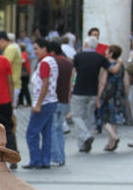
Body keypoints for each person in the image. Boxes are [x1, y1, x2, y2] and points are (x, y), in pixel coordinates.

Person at [23, 37, 58, 170]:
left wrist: (38, 103)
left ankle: (36, 160)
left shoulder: (44, 62)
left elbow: (45, 83)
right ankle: (45, 160)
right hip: (51, 100)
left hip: (44, 102)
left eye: (37, 49)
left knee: (31, 133)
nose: (35, 52)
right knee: (46, 132)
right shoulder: (51, 61)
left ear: (44, 48)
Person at [71, 37, 109, 153]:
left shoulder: (78, 57)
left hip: (79, 90)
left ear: (86, 44)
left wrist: (70, 87)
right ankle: (83, 145)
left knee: (77, 116)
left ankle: (86, 136)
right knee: (88, 118)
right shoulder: (100, 57)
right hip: (93, 91)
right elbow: (108, 71)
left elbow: (73, 74)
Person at [47, 38, 72, 166]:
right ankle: (61, 156)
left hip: (54, 99)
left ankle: (56, 157)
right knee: (59, 128)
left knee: (52, 128)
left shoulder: (52, 62)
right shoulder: (68, 63)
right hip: (64, 99)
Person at [99, 45, 125, 151]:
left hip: (108, 92)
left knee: (103, 116)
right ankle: (111, 142)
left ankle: (114, 137)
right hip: (118, 92)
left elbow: (102, 81)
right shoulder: (121, 65)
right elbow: (125, 79)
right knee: (114, 117)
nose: (105, 52)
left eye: (107, 51)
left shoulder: (107, 65)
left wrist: (99, 94)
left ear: (110, 53)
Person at [0, 31, 22, 109]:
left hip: (13, 84)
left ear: (2, 40)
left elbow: (5, 66)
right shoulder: (10, 48)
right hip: (12, 83)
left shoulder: (10, 49)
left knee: (11, 111)